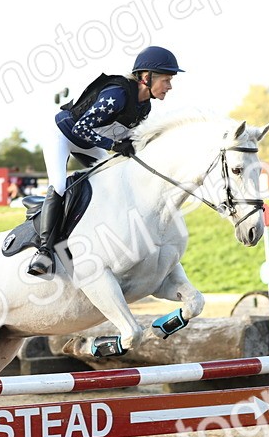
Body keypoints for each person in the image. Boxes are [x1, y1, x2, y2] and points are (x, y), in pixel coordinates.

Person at [28, 45, 183, 277]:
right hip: (62, 134)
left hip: (89, 142)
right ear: (146, 77)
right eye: (167, 80)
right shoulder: (118, 94)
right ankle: (44, 251)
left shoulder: (144, 106)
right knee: (59, 185)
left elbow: (127, 137)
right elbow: (81, 128)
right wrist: (113, 146)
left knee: (114, 185)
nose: (170, 86)